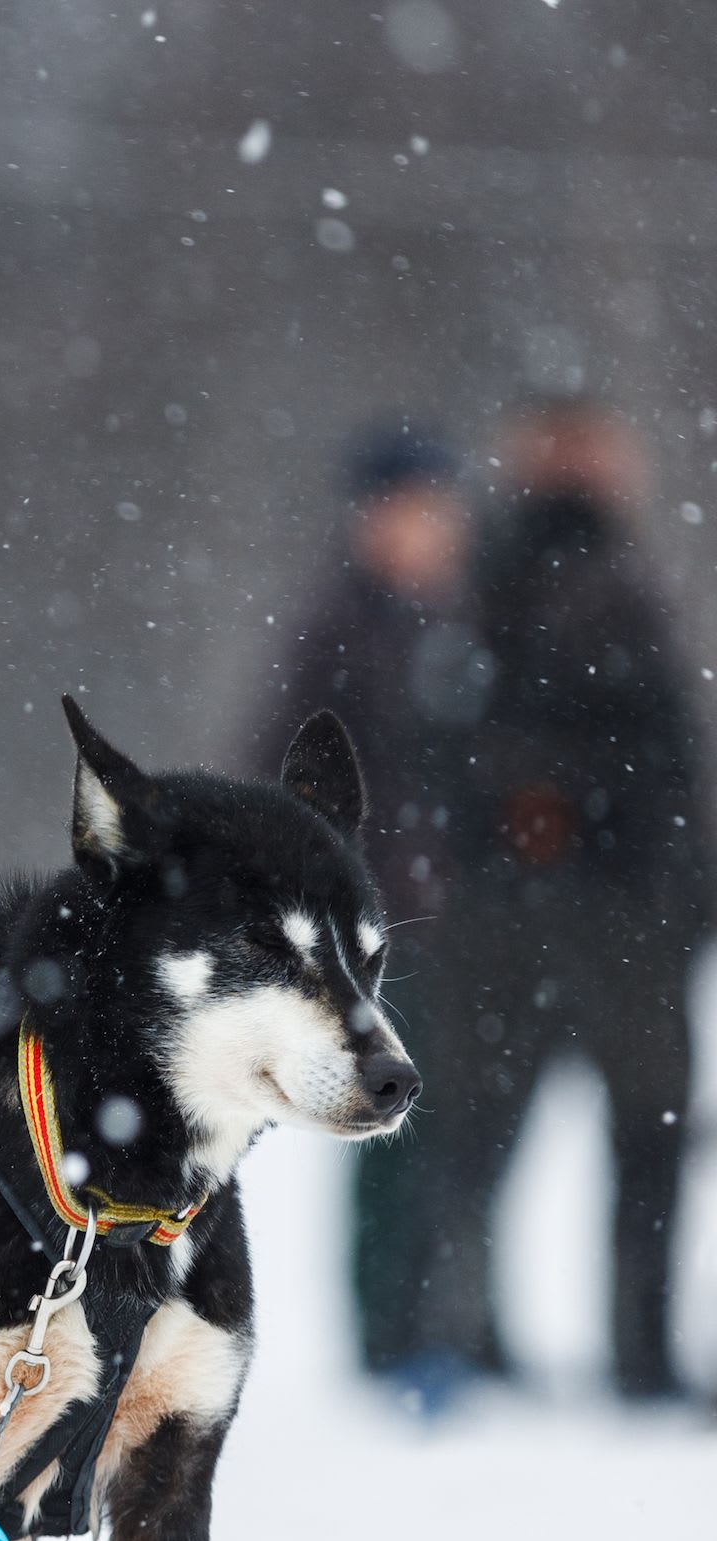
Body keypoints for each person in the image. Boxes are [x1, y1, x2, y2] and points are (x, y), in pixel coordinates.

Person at [437, 397, 711, 1402]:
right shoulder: (527, 581)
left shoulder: (524, 578)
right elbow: (483, 746)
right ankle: (506, 1336)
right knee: (604, 1131)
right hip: (585, 903)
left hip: (591, 899)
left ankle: (482, 1332)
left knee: (497, 1130)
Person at [256, 421, 491, 1403]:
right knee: (391, 1128)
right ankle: (389, 1333)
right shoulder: (339, 626)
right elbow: (278, 767)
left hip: (452, 909)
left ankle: (455, 1322)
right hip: (375, 921)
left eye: (442, 509)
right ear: (372, 518)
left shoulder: (454, 617)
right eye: (413, 511)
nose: (433, 529)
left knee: (461, 1126)